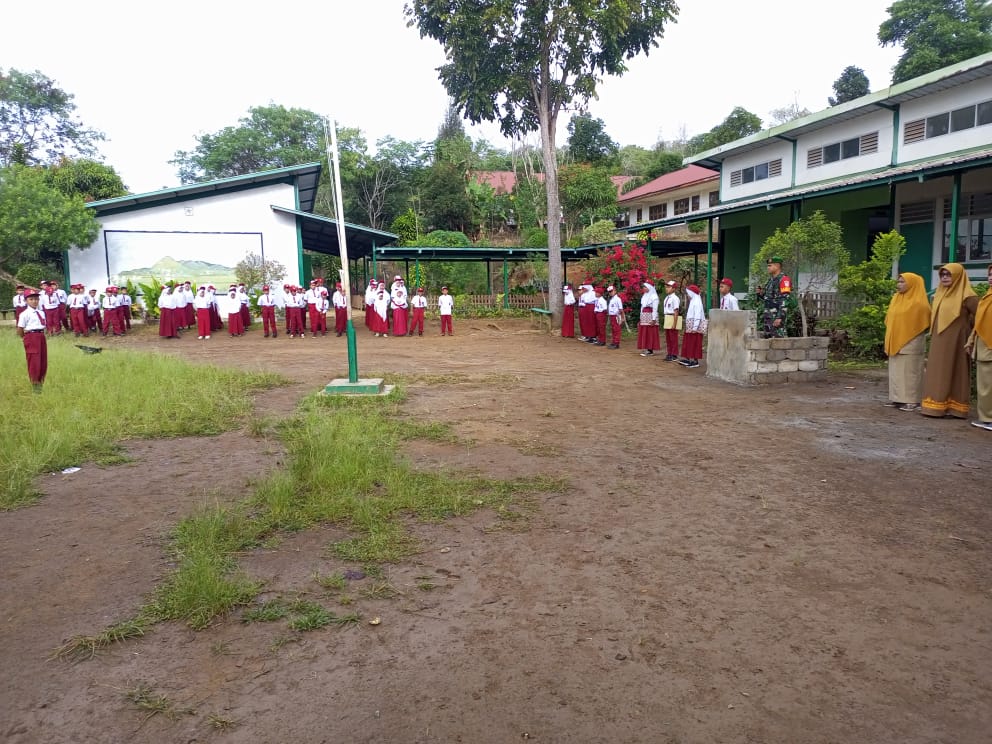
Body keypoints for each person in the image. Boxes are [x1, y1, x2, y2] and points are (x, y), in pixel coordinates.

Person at [921, 263, 978, 418]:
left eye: (948, 274)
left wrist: (969, 333)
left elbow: (982, 317)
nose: (945, 277)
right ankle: (934, 406)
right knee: (937, 371)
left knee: (955, 371)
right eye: (942, 274)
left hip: (957, 342)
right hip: (938, 340)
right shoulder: (940, 293)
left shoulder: (968, 296)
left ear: (958, 276)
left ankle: (955, 408)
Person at [883, 272, 930, 412]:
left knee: (910, 372)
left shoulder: (920, 303)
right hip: (895, 340)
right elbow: (890, 319)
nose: (899, 284)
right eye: (899, 282)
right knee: (896, 371)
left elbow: (925, 323)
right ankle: (897, 399)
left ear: (913, 284)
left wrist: (909, 335)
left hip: (911, 342)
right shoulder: (896, 298)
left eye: (903, 282)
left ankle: (912, 400)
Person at [966, 263, 992, 430]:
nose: (991, 278)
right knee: (985, 386)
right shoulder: (987, 297)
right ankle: (986, 417)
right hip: (984, 348)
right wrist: (971, 340)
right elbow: (979, 323)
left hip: (989, 349)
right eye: (990, 274)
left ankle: (989, 418)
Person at [16, 287, 47, 393]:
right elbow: (20, 329)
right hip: (31, 336)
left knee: (43, 360)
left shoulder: (41, 312)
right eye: (31, 299)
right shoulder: (24, 314)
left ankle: (41, 382)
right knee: (34, 361)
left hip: (41, 336)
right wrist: (25, 338)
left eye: (36, 299)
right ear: (26, 300)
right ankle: (35, 385)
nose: (34, 301)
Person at [757, 256, 792, 338]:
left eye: (770, 265)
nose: (767, 268)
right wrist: (761, 294)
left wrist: (780, 317)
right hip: (768, 317)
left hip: (776, 317)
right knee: (769, 341)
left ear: (777, 266)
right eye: (768, 265)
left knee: (779, 341)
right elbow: (769, 299)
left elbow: (785, 299)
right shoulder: (771, 280)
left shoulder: (784, 280)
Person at [679, 284, 706, 368]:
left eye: (688, 293)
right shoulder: (693, 301)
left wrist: (695, 327)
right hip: (691, 325)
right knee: (689, 343)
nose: (687, 295)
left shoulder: (697, 302)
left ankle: (695, 361)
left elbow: (697, 315)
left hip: (695, 327)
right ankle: (688, 359)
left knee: (695, 343)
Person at [637, 282, 661, 357]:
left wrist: (653, 319)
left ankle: (650, 350)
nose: (643, 288)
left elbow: (655, 308)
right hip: (644, 315)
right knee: (645, 332)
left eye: (645, 287)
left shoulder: (654, 296)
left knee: (650, 332)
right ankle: (646, 348)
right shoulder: (644, 296)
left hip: (650, 315)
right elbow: (642, 307)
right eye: (643, 287)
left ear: (649, 287)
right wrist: (641, 317)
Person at [662, 280, 681, 361]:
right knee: (668, 337)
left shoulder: (675, 298)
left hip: (672, 317)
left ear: (674, 289)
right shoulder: (667, 298)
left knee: (673, 337)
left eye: (669, 287)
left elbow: (676, 311)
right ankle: (669, 353)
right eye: (666, 287)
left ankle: (674, 354)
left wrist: (674, 323)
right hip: (667, 317)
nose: (667, 289)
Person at [606, 285, 623, 349]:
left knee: (616, 329)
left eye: (611, 291)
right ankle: (614, 342)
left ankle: (616, 343)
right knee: (613, 329)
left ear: (615, 291)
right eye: (609, 292)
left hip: (616, 316)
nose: (610, 293)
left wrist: (622, 317)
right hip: (612, 316)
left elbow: (621, 309)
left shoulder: (618, 299)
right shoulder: (612, 299)